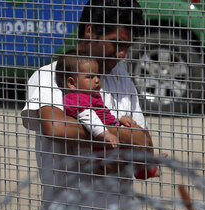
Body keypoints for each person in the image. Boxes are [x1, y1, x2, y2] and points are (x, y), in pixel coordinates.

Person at [20, 0, 156, 210]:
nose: (122, 54)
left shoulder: (121, 78)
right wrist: (120, 136)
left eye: (127, 46)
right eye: (117, 44)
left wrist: (119, 138)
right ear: (90, 31)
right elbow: (56, 127)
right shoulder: (51, 76)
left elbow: (145, 145)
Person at [55, 49, 159, 180]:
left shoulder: (91, 95)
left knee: (135, 143)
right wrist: (105, 134)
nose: (97, 80)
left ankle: (147, 165)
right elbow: (88, 117)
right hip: (99, 141)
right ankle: (146, 167)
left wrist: (120, 119)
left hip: (109, 129)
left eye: (97, 76)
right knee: (124, 154)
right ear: (72, 83)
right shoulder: (77, 99)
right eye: (90, 77)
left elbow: (104, 114)